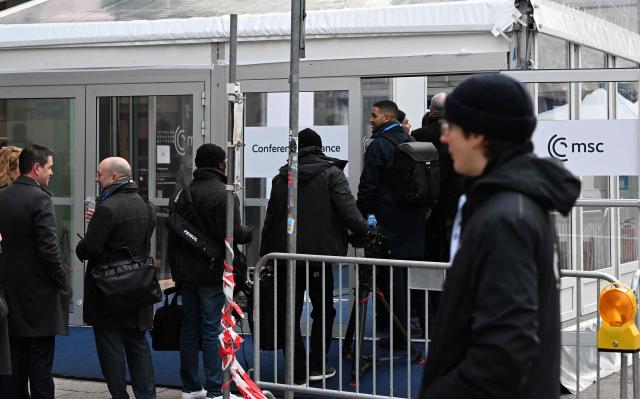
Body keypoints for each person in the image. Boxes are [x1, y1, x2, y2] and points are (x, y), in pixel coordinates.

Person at [418, 74, 581, 399]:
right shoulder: (513, 202)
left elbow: (504, 354)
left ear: (479, 135)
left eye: (452, 128)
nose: (445, 138)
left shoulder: (506, 217)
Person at [260, 128, 368, 384]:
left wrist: (267, 254)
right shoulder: (332, 174)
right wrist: (366, 231)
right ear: (320, 148)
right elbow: (349, 213)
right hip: (320, 257)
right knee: (323, 310)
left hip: (286, 257)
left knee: (290, 311)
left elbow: (271, 218)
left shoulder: (281, 178)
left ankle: (295, 370)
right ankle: (317, 364)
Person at [168, 143, 252, 399]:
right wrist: (250, 232)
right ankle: (216, 390)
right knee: (213, 328)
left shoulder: (182, 194)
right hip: (212, 271)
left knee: (190, 327)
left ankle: (191, 387)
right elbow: (230, 234)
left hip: (186, 272)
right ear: (220, 165)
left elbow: (175, 234)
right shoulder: (224, 194)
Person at [76, 157, 157, 399]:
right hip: (139, 287)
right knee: (138, 346)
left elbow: (88, 249)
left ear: (113, 177)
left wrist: (93, 229)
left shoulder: (108, 208)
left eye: (99, 174)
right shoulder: (146, 205)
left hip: (108, 290)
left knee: (111, 349)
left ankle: (119, 395)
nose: (96, 178)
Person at [0, 144, 70, 399]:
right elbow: (49, 249)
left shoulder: (3, 196)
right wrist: (62, 282)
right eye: (50, 167)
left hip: (10, 295)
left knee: (14, 365)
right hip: (39, 300)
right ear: (37, 168)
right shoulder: (40, 198)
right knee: (40, 369)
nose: (52, 173)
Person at [357, 100, 426, 347]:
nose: (370, 119)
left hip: (389, 220)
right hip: (414, 220)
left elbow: (368, 185)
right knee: (407, 278)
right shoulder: (411, 143)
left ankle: (399, 334)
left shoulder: (379, 146)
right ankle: (407, 328)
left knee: (392, 279)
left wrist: (362, 215)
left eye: (374, 115)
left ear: (387, 118)